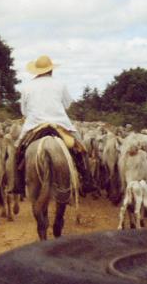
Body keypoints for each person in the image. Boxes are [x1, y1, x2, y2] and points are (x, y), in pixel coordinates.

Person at [13, 55, 97, 195]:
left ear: (36, 71)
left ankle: (18, 185)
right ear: (51, 70)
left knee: (17, 150)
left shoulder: (26, 87)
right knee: (81, 148)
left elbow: (24, 111)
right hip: (60, 124)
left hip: (34, 125)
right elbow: (67, 104)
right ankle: (87, 180)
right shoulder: (60, 84)